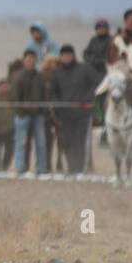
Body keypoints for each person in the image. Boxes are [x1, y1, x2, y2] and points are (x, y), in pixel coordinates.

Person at [50, 45, 98, 175]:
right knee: (67, 142)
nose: (66, 57)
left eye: (68, 55)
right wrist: (58, 105)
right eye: (63, 55)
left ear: (73, 55)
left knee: (80, 141)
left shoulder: (84, 69)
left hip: (82, 114)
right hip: (65, 115)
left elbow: (96, 83)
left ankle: (80, 168)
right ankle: (72, 167)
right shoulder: (57, 73)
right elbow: (53, 92)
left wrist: (87, 98)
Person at [11, 49, 48, 175]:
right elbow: (14, 97)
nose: (30, 62)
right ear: (24, 61)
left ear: (35, 61)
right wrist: (20, 113)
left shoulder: (40, 77)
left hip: (38, 116)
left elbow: (45, 96)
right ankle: (20, 168)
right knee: (21, 142)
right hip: (23, 116)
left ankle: (41, 168)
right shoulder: (18, 77)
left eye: (32, 59)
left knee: (41, 143)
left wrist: (42, 111)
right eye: (28, 59)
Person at [105, 8, 132, 78]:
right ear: (125, 21)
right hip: (122, 74)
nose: (131, 22)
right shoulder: (117, 39)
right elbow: (110, 60)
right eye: (128, 20)